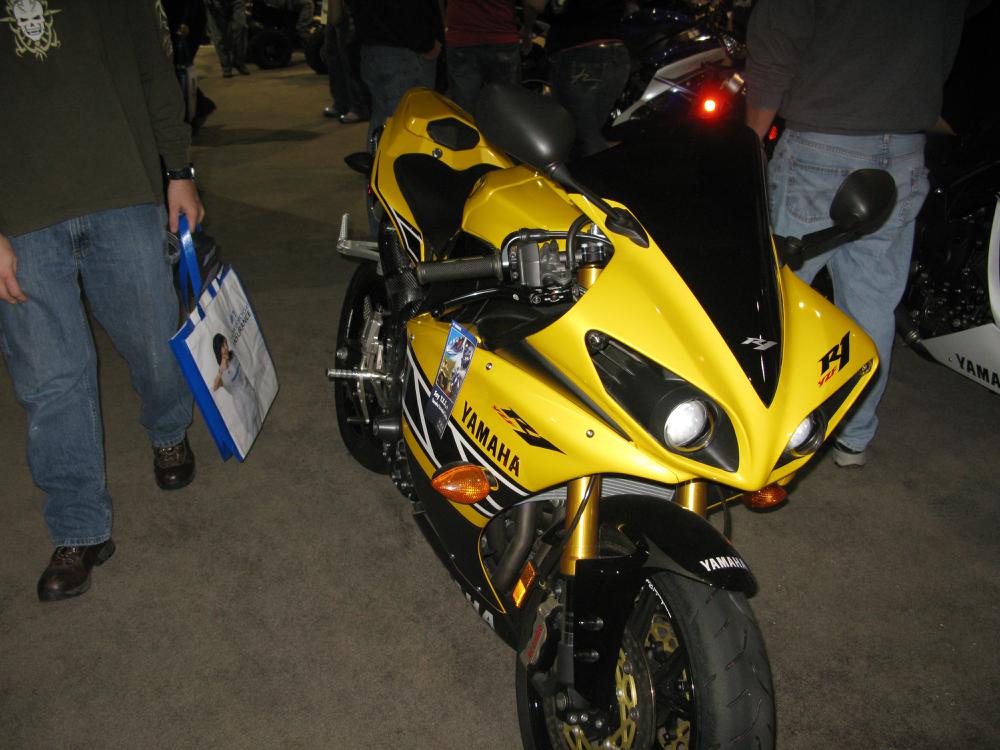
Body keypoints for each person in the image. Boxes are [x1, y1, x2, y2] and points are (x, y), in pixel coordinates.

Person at [0, 0, 203, 601]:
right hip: (20, 212)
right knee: (50, 380)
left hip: (123, 188)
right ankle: (79, 528)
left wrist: (179, 169)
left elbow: (152, 68)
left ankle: (167, 428)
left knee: (155, 342)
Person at [744, 0, 968, 467]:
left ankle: (756, 429)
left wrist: (747, 143)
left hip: (821, 143)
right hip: (904, 148)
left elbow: (777, 43)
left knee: (772, 297)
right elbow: (946, 40)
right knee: (872, 302)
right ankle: (854, 434)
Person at [525, 0, 630, 158]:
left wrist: (527, 26)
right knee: (589, 132)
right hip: (617, 52)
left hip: (579, 54)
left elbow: (536, 3)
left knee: (581, 136)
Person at [346, 0, 444, 149]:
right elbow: (407, 10)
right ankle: (393, 162)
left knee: (382, 119)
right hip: (403, 51)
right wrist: (426, 43)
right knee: (405, 125)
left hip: (373, 47)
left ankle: (378, 160)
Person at [444, 0, 535, 114]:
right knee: (507, 108)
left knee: (464, 110)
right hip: (502, 37)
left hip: (461, 38)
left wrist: (444, 21)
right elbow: (533, 4)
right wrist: (527, 29)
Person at [322, 0, 368, 123]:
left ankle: (359, 107)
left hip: (348, 9)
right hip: (334, 8)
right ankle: (342, 103)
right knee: (334, 55)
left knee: (348, 57)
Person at [211, 333, 263, 437]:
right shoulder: (222, 374)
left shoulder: (234, 355)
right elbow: (214, 388)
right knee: (252, 430)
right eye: (222, 346)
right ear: (218, 350)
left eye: (226, 343)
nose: (226, 347)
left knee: (259, 420)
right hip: (241, 403)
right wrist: (221, 370)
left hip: (249, 392)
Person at [204, 0, 249, 77]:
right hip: (215, 3)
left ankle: (238, 61)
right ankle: (226, 66)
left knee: (241, 27)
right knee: (219, 36)